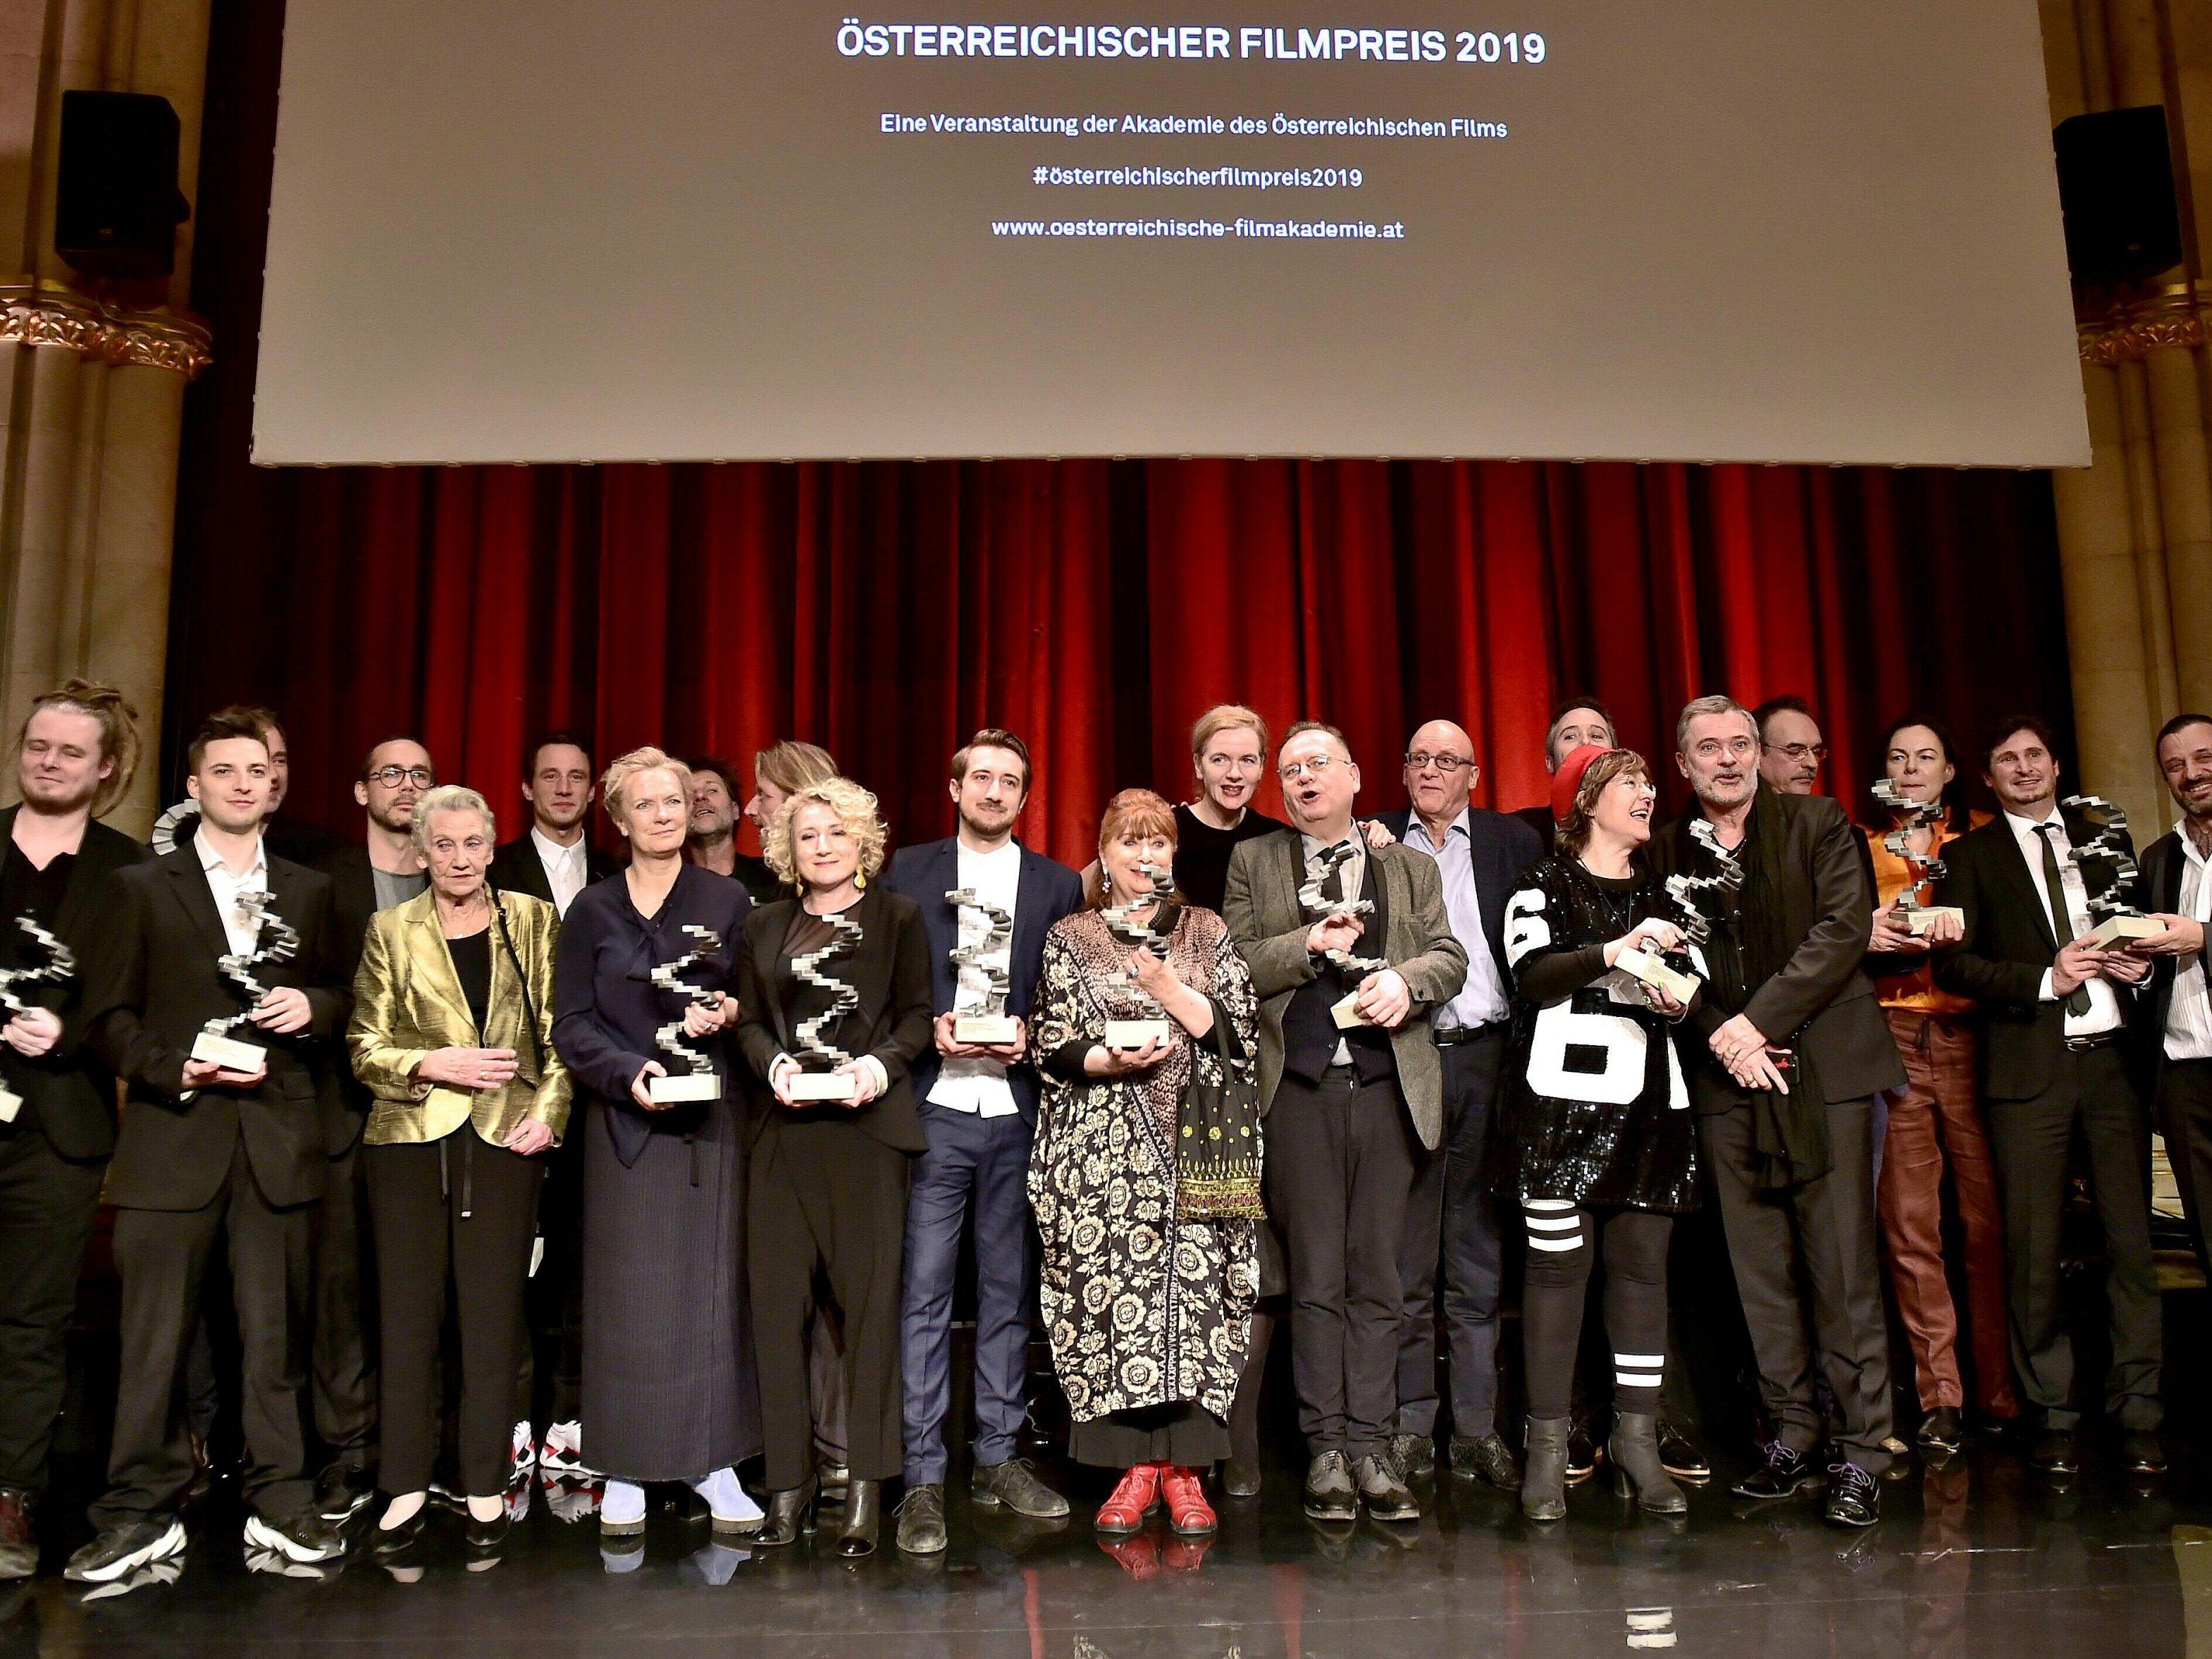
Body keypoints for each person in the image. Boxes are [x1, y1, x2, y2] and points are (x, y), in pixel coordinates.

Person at [68, 713, 352, 1581]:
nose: (239, 782)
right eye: (221, 769)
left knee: (275, 1339)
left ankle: (282, 1501)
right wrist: (176, 1069)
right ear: (193, 786)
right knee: (153, 1342)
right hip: (174, 1140)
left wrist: (315, 1007)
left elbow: (343, 992)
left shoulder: (310, 889)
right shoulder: (141, 887)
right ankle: (138, 1511)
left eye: (255, 768)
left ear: (274, 783)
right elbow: (104, 1017)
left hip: (276, 1140)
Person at [1647, 695, 1902, 1529]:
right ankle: (1793, 1432)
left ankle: (1861, 1449)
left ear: (1758, 752)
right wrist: (1725, 1033)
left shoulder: (1819, 822)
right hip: (1727, 1081)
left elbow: (1841, 931)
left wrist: (1752, 1024)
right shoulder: (1664, 855)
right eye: (1706, 748)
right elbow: (1660, 965)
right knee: (1759, 1273)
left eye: (1738, 744)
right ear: (1682, 765)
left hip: (1824, 1070)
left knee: (1840, 1270)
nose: (1725, 759)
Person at [1223, 721, 1467, 1526]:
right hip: (1297, 1091)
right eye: (1289, 770)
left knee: (1380, 1277)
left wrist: (1405, 981)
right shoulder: (1255, 860)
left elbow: (1449, 955)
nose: (1301, 779)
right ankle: (1324, 1445)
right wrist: (1306, 942)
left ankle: (1372, 1445)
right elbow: (1234, 962)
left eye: (1318, 763)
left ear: (1357, 775)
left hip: (1387, 1086)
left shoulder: (1407, 864)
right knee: (1318, 1278)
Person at [1932, 717, 2164, 1478]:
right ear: (1989, 778)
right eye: (2007, 759)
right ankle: (2054, 1413)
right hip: (2030, 1068)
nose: (2024, 768)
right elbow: (1955, 967)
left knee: (2131, 1242)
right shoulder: (1968, 855)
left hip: (2112, 1066)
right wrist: (2045, 978)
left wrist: (2142, 967)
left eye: (2035, 755)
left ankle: (2138, 1410)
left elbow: (2141, 929)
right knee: (2034, 1247)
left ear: (2057, 765)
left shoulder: (2104, 832)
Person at [1030, 789, 1261, 1538]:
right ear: (1103, 855)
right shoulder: (1070, 935)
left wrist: (1164, 985)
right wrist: (1103, 1056)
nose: (1144, 856)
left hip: (1197, 1144)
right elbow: (1049, 1038)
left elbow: (1235, 1032)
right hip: (1102, 1146)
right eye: (1129, 843)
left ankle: (1187, 1471)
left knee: (1194, 1298)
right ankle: (1133, 1469)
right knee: (1110, 1297)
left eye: (1157, 843)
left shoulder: (1206, 928)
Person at [350, 786, 570, 1558]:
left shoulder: (532, 918)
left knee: (490, 1318)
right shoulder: (390, 928)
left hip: (506, 1141)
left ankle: (482, 1483)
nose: (458, 858)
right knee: (408, 1317)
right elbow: (364, 1046)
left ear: (491, 843)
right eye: (442, 845)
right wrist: (428, 1062)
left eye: (472, 843)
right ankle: (404, 1481)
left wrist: (550, 1111)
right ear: (420, 851)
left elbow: (558, 1032)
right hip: (410, 1141)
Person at [881, 730, 1085, 1555]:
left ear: (1025, 798)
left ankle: (998, 1455)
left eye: (1010, 782)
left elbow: (1071, 993)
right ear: (955, 787)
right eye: (982, 778)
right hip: (933, 1105)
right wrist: (923, 1028)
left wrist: (1031, 1034)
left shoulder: (1057, 882)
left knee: (1008, 1290)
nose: (995, 791)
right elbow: (886, 984)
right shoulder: (908, 872)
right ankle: (922, 1473)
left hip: (1016, 1109)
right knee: (925, 1292)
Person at [552, 748, 762, 1544]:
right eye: (648, 803)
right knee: (628, 1301)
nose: (666, 812)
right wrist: (624, 1069)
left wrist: (728, 1010)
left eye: (675, 799)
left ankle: (713, 1462)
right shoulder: (592, 910)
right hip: (624, 1125)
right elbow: (570, 1022)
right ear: (619, 818)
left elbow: (754, 997)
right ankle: (627, 1470)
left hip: (710, 1123)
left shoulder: (728, 896)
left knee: (708, 1299)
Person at [1497, 745, 1699, 1519]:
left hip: (1650, 1101)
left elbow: (1691, 984)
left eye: (1649, 782)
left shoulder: (1665, 891)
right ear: (1584, 800)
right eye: (1628, 783)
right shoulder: (1541, 884)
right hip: (1557, 1107)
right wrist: (1615, 950)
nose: (1647, 794)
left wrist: (1678, 999)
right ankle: (1546, 1446)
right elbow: (1534, 975)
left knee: (1643, 1268)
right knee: (1556, 1270)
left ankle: (1637, 1442)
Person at [737, 776, 933, 1558]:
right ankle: (788, 1486)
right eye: (807, 833)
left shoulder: (898, 917)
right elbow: (749, 1021)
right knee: (778, 1317)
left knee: (869, 1315)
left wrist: (878, 1069)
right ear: (788, 847)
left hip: (866, 1135)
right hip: (783, 1136)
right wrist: (773, 1063)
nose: (821, 845)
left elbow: (917, 1015)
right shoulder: (762, 925)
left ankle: (865, 1487)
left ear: (862, 841)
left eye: (836, 832)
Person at [0, 683, 150, 1581]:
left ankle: (9, 1493)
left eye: (66, 751)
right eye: (35, 744)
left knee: (29, 1317)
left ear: (104, 769)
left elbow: (129, 1001)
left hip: (59, 1126)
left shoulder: (129, 875)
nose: (45, 760)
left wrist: (72, 1033)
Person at [1373, 720, 1540, 1490]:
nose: (1432, 770)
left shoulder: (1512, 844)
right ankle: (1411, 1424)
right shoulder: (1374, 845)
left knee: (1476, 1255)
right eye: (1420, 758)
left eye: (1448, 760)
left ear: (1475, 773)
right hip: (1407, 1059)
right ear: (1404, 771)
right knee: (1408, 1256)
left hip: (1488, 1057)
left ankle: (1475, 1428)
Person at [1858, 717, 2015, 1454]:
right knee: (1911, 1228)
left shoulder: (1983, 837)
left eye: (1926, 757)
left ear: (1951, 770)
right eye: (1899, 757)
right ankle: (1938, 1396)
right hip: (1892, 1037)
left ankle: (1999, 1389)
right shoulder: (1858, 845)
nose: (1913, 768)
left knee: (1988, 1224)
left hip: (1973, 1038)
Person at [309, 734, 438, 1520]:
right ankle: (350, 1455)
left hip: (443, 1118)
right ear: (362, 791)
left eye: (419, 773)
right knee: (345, 1290)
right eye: (389, 771)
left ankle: (429, 1450)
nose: (404, 783)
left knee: (434, 1289)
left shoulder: (461, 873)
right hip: (348, 1113)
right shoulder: (324, 880)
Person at [490, 732, 614, 1479]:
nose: (564, 788)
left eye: (577, 777)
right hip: (512, 1096)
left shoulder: (621, 873)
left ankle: (570, 1420)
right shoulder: (493, 866)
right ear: (528, 788)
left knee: (579, 1265)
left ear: (594, 790)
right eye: (550, 777)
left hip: (597, 1100)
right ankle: (510, 1420)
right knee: (506, 1268)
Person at [736, 736, 853, 1490]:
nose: (754, 808)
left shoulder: (870, 907)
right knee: (783, 1301)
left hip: (853, 1124)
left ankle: (842, 1449)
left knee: (844, 1300)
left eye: (767, 796)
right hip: (769, 1117)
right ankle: (786, 1459)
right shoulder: (761, 909)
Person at [2134, 714, 2212, 1279]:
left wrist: (2203, 937)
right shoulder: (2157, 857)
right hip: (2183, 1077)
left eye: (2203, 758)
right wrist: (2133, 968)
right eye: (2175, 766)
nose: (2192, 774)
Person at [1172, 705, 1291, 915]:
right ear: (1199, 765)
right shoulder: (1167, 830)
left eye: (1247, 760)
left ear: (1261, 767)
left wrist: (1367, 832)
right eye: (1220, 759)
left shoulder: (1277, 838)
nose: (1234, 773)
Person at [1513, 698, 1618, 851]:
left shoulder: (1652, 834)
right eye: (1570, 736)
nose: (1585, 742)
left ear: (1617, 758)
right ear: (1550, 762)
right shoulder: (1518, 832)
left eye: (1596, 736)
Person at [687, 756, 776, 903]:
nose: (701, 797)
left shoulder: (774, 879)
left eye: (712, 790)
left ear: (735, 810)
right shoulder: (667, 888)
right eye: (689, 794)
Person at [1754, 696, 1827, 797]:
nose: (1812, 763)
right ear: (1757, 753)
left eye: (1816, 752)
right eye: (1795, 751)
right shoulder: (1734, 811)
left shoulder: (1824, 811)